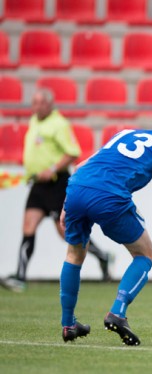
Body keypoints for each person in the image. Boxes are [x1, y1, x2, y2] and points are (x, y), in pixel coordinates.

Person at [59, 105, 152, 345]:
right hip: (109, 196)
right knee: (144, 254)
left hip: (76, 188)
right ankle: (118, 311)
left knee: (73, 255)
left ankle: (68, 324)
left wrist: (66, 204)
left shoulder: (123, 133)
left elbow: (81, 166)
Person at [0, 89, 111, 293]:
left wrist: (51, 169)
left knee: (66, 232)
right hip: (38, 185)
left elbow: (72, 152)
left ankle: (101, 255)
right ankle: (20, 276)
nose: (36, 107)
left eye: (40, 103)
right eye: (33, 102)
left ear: (50, 104)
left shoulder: (59, 124)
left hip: (57, 184)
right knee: (28, 226)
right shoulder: (35, 121)